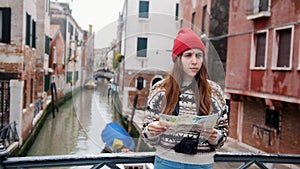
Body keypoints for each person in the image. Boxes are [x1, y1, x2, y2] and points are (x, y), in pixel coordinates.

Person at [142, 27, 229, 169]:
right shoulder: (160, 89)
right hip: (167, 163)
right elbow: (147, 134)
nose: (194, 61)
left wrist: (214, 136)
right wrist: (152, 131)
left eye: (198, 56)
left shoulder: (215, 91)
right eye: (188, 55)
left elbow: (223, 134)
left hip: (202, 165)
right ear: (178, 59)